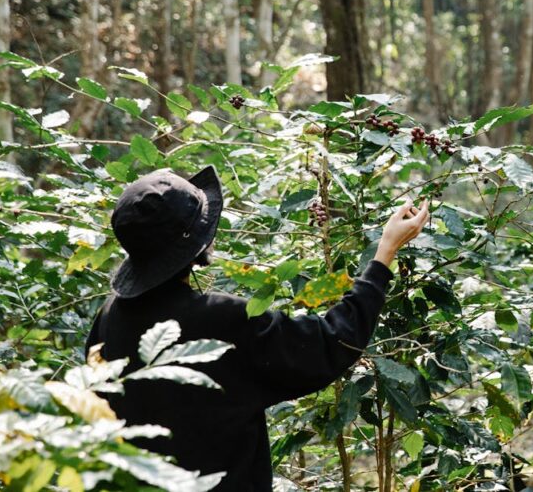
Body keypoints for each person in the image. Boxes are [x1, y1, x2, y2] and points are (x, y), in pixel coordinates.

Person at [86, 165, 429, 490]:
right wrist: (384, 253)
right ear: (195, 245)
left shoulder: (109, 317)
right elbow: (330, 343)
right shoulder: (223, 318)